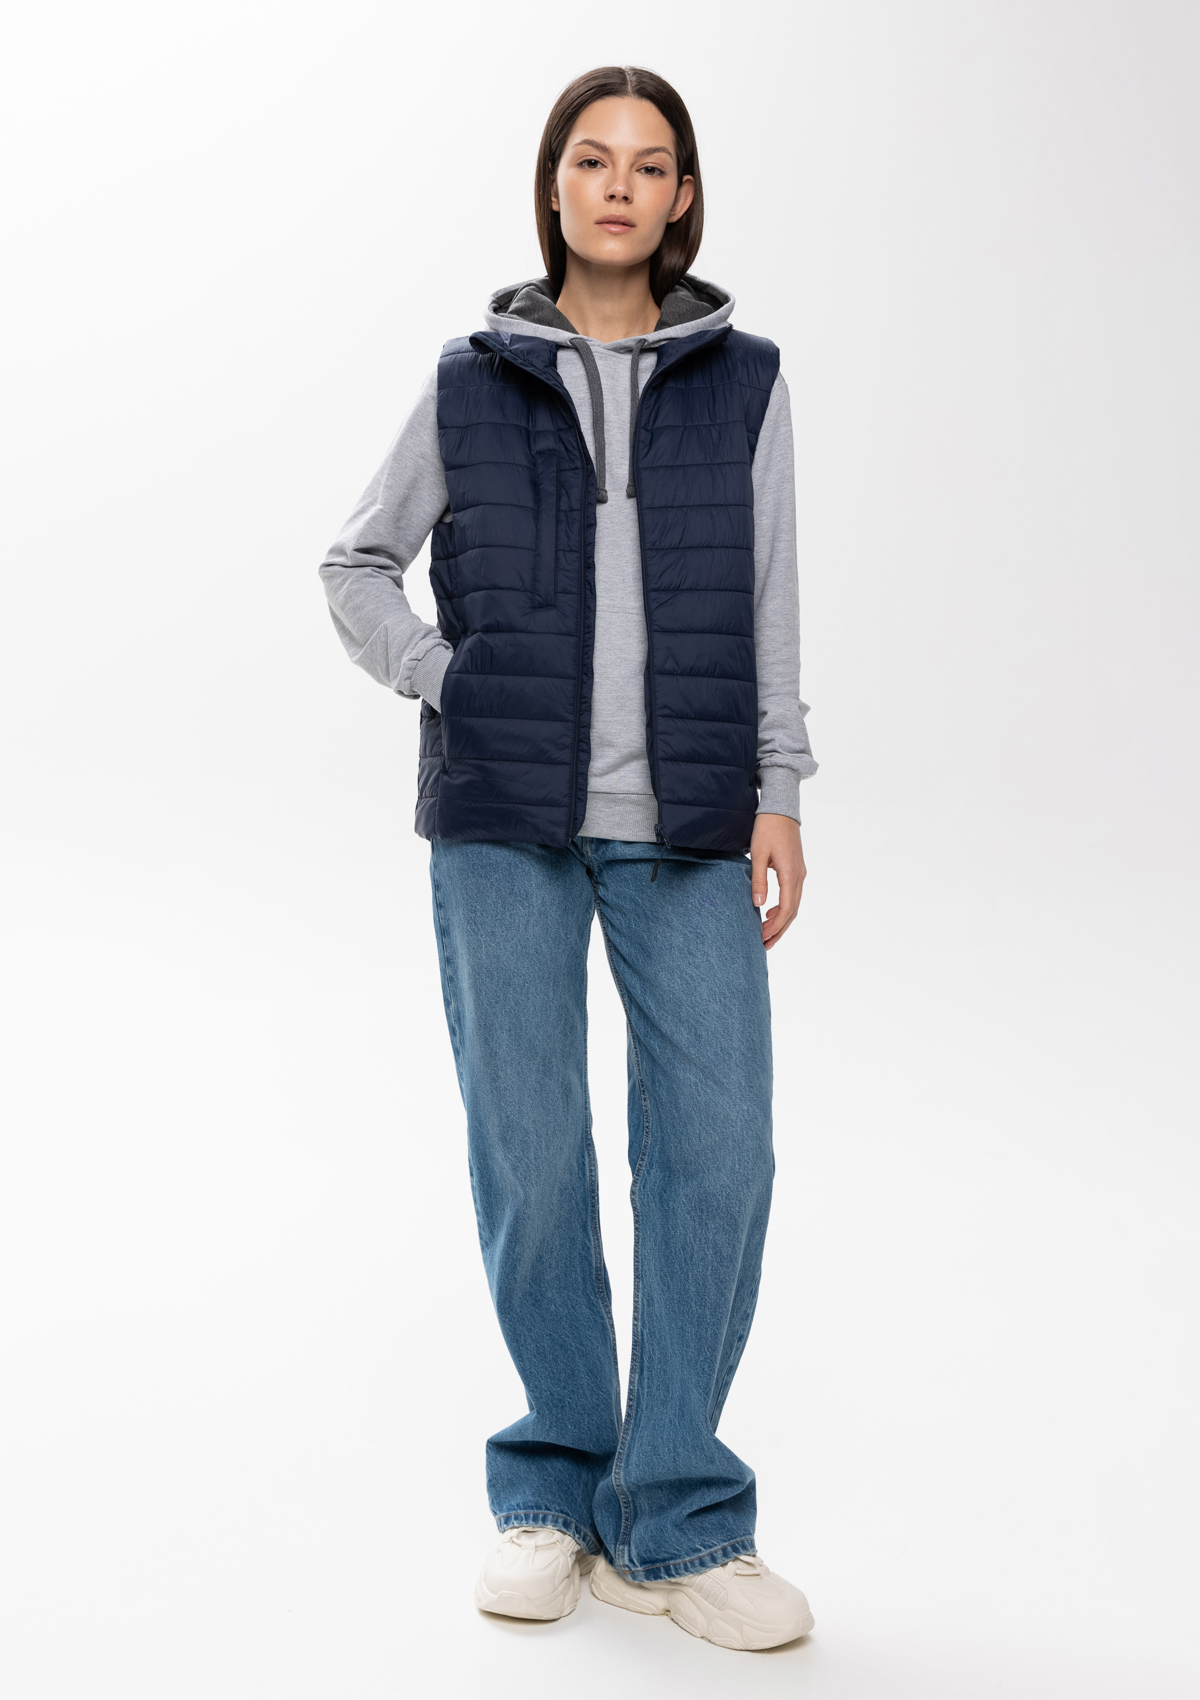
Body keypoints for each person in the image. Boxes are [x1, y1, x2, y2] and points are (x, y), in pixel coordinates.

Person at [319, 65, 818, 1653]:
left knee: (720, 1155)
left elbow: (771, 596)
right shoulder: (473, 379)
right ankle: (552, 1490)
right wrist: (445, 678)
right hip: (503, 828)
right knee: (533, 1165)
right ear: (554, 189)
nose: (618, 185)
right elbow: (355, 563)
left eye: (649, 164)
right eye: (591, 160)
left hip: (691, 823)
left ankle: (678, 1517)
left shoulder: (746, 383)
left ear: (682, 199)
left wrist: (782, 788)